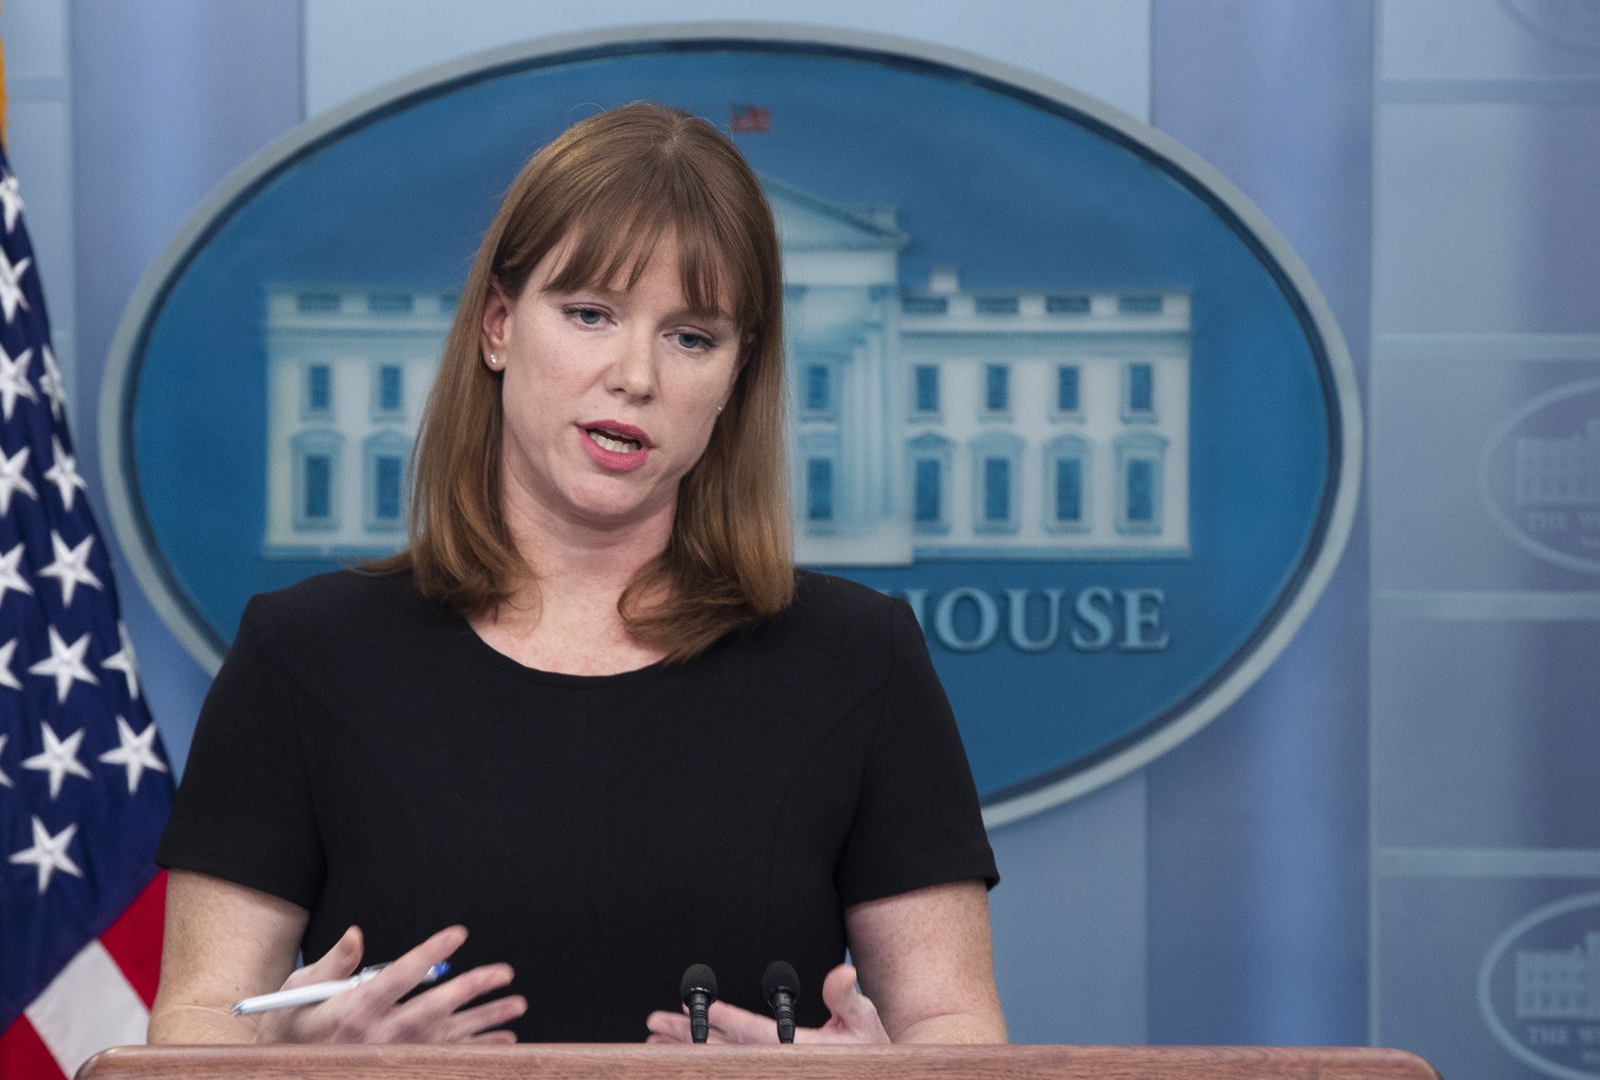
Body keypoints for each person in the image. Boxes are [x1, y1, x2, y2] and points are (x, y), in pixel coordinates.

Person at [147, 102, 1005, 1046]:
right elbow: (195, 1026)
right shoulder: (303, 654)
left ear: (736, 376)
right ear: (499, 326)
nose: (636, 375)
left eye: (691, 337)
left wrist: (879, 1077)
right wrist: (294, 1068)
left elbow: (953, 1027)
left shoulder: (861, 660)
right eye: (592, 314)